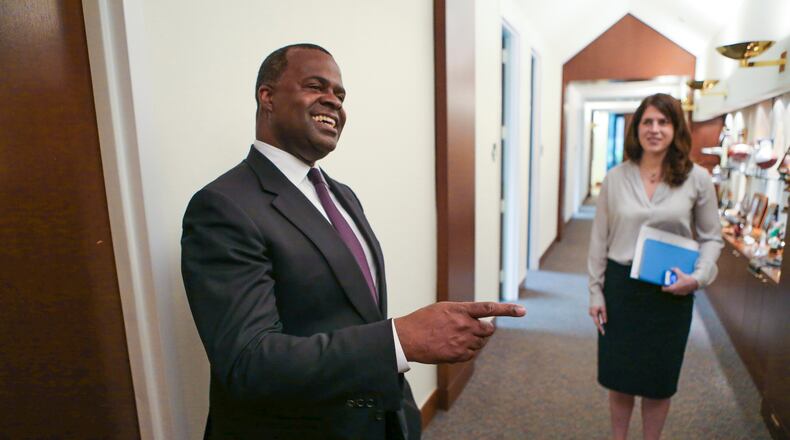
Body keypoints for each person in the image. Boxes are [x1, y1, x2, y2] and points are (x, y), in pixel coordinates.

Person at [181, 43, 526, 440]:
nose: (333, 101)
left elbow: (355, 313)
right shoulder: (223, 207)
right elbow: (249, 363)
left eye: (340, 95)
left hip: (376, 415)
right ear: (268, 97)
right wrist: (402, 338)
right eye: (315, 86)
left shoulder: (340, 193)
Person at [587, 93, 723, 440]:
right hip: (621, 290)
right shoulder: (616, 178)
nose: (654, 129)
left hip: (671, 292)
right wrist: (595, 291)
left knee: (658, 383)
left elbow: (712, 238)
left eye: (663, 122)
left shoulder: (697, 179)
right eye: (647, 121)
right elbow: (599, 239)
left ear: (676, 129)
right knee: (620, 380)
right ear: (637, 128)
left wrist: (697, 278)